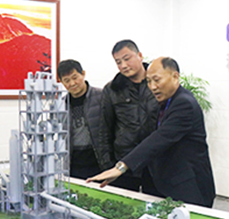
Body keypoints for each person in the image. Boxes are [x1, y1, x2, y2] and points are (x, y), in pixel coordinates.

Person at [88, 57, 216, 207]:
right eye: (148, 81)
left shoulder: (184, 103)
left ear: (175, 77)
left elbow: (159, 139)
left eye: (157, 80)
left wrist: (121, 167)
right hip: (170, 184)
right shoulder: (166, 102)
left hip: (190, 188)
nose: (153, 87)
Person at [99, 40, 159, 193]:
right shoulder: (112, 90)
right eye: (118, 62)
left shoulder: (157, 83)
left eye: (127, 59)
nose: (124, 65)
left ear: (140, 56)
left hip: (156, 161)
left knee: (157, 203)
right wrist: (108, 165)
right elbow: (104, 130)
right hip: (124, 161)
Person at [58, 59, 104, 179]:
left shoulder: (102, 96)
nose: (72, 83)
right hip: (74, 163)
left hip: (99, 161)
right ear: (61, 82)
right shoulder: (60, 105)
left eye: (75, 77)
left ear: (83, 74)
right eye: (67, 80)